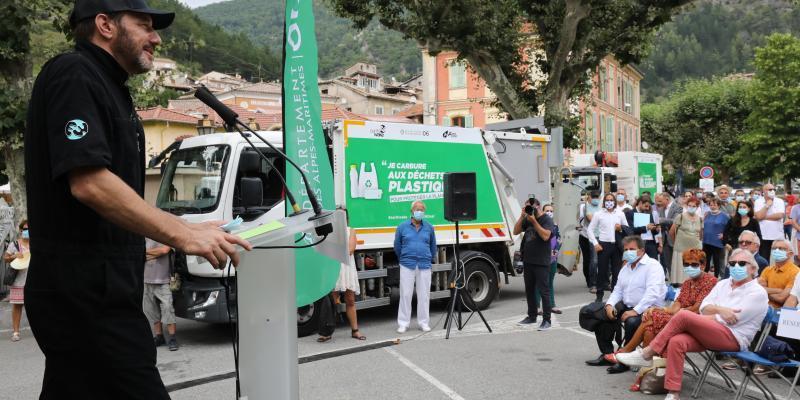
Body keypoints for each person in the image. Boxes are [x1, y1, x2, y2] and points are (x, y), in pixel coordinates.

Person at [23, 2, 252, 397]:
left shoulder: (112, 88)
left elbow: (117, 196)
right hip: (86, 295)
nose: (156, 38)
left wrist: (186, 225)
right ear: (105, 25)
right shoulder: (74, 74)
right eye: (144, 26)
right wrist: (183, 237)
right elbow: (90, 183)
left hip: (100, 291)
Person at [616, 248, 769, 400]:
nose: (736, 267)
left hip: (733, 338)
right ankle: (673, 392)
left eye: (742, 263)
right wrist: (720, 309)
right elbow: (704, 308)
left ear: (753, 268)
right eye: (732, 263)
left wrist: (711, 314)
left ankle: (647, 353)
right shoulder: (724, 284)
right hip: (709, 332)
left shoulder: (757, 292)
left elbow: (732, 319)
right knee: (677, 341)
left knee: (683, 316)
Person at [608, 249, 717, 361]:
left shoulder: (710, 281)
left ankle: (627, 351)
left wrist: (667, 311)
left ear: (703, 265)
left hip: (697, 321)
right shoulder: (687, 283)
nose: (690, 267)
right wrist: (661, 309)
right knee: (650, 326)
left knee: (652, 317)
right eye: (686, 264)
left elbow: (696, 309)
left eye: (694, 264)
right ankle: (649, 365)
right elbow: (676, 305)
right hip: (680, 318)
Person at [584, 236, 665, 374]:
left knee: (631, 321)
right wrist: (609, 305)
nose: (628, 252)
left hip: (648, 310)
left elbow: (653, 294)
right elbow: (617, 291)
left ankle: (625, 360)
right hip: (626, 306)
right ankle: (607, 354)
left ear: (642, 250)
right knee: (597, 313)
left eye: (632, 249)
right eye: (626, 249)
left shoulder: (653, 266)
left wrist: (636, 310)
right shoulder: (626, 267)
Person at [318, 208, 365, 342]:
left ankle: (355, 330)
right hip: (333, 268)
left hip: (346, 268)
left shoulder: (351, 230)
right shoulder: (329, 231)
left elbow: (350, 250)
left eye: (342, 216)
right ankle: (327, 332)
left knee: (350, 300)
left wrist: (334, 248)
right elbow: (324, 249)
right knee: (331, 302)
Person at [394, 201, 436, 333]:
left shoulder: (429, 227)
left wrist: (428, 257)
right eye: (418, 209)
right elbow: (397, 246)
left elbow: (433, 247)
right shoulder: (402, 227)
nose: (420, 211)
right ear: (412, 211)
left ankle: (423, 322)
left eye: (422, 209)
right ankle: (403, 323)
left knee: (424, 295)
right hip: (407, 264)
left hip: (424, 265)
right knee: (405, 294)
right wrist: (404, 258)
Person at [513, 198, 555, 330]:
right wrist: (522, 216)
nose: (530, 210)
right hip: (528, 260)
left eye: (532, 207)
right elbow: (515, 231)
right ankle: (532, 316)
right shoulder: (528, 218)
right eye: (527, 207)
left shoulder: (547, 220)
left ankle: (547, 320)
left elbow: (546, 236)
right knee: (529, 290)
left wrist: (534, 221)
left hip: (541, 261)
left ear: (539, 206)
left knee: (544, 291)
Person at [587, 193, 629, 301]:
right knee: (602, 271)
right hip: (603, 245)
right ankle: (599, 295)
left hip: (617, 246)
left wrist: (620, 228)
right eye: (607, 200)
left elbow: (627, 229)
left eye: (611, 200)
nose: (609, 202)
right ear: (604, 202)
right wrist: (595, 243)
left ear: (614, 202)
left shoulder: (620, 214)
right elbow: (590, 230)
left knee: (616, 272)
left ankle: (615, 295)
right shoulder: (598, 214)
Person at [142, 238, 178, 351]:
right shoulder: (143, 235)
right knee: (151, 309)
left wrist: (146, 253)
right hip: (145, 279)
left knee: (167, 308)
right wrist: (154, 253)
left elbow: (164, 250)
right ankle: (159, 336)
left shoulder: (165, 235)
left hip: (164, 280)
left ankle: (172, 338)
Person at [3, 220, 30, 342]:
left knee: (37, 305)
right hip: (18, 281)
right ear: (20, 230)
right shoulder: (14, 244)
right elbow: (5, 258)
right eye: (25, 229)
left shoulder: (36, 244)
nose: (27, 232)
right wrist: (14, 256)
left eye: (29, 229)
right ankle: (15, 332)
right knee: (17, 306)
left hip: (33, 280)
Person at [669, 196, 703, 284]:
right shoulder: (680, 216)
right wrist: (676, 243)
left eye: (694, 206)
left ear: (697, 207)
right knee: (681, 270)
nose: (691, 207)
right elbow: (671, 232)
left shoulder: (700, 219)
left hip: (694, 249)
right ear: (686, 206)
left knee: (692, 269)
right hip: (680, 249)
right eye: (689, 205)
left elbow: (701, 234)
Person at [534, 204, 562, 315]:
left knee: (549, 282)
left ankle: (552, 305)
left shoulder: (555, 226)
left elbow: (557, 241)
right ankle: (536, 306)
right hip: (541, 258)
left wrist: (554, 253)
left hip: (552, 258)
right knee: (539, 283)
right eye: (547, 210)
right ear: (542, 212)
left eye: (551, 210)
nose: (549, 212)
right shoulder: (538, 225)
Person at [757, 239, 798, 309]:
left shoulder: (796, 272)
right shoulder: (767, 270)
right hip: (762, 309)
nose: (777, 251)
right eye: (774, 248)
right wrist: (778, 290)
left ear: (790, 254)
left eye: (781, 249)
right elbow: (757, 290)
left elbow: (781, 298)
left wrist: (764, 292)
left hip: (780, 312)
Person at [754, 183, 785, 261]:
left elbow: (780, 215)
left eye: (774, 189)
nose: (772, 191)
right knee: (764, 259)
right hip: (764, 235)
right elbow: (758, 216)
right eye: (770, 189)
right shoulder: (758, 201)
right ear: (763, 191)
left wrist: (763, 217)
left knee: (780, 258)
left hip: (778, 236)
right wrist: (767, 206)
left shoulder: (780, 201)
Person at [655, 192, 683, 279]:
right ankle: (672, 282)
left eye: (660, 201)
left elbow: (675, 221)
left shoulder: (678, 207)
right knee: (668, 262)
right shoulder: (660, 209)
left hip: (675, 239)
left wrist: (660, 220)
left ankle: (680, 282)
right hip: (665, 240)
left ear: (666, 199)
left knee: (678, 263)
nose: (658, 203)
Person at [579, 191, 601, 292]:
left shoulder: (602, 206)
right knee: (591, 260)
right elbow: (590, 219)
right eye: (594, 197)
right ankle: (591, 282)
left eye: (598, 196)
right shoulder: (585, 207)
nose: (596, 198)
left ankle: (601, 281)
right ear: (589, 197)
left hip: (602, 235)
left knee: (599, 260)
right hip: (586, 235)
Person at [702, 198, 730, 278]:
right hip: (706, 240)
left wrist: (724, 235)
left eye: (714, 204)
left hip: (717, 241)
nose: (712, 206)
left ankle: (716, 277)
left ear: (719, 205)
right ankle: (704, 277)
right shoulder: (707, 214)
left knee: (716, 260)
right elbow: (702, 225)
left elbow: (730, 227)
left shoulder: (724, 216)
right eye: (711, 205)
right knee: (705, 260)